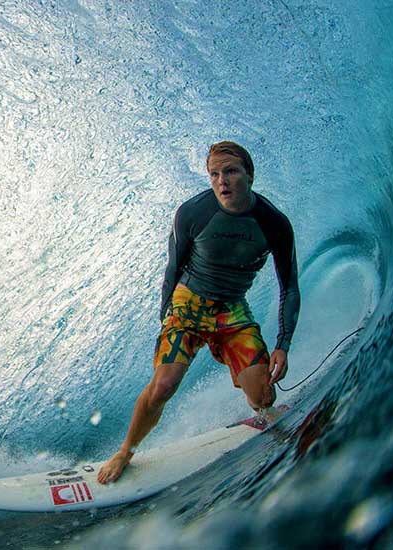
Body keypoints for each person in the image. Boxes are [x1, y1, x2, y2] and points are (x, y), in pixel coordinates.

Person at [97, 141, 300, 485]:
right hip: (188, 303)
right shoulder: (192, 213)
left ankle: (266, 416)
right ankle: (126, 451)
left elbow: (290, 287)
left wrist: (283, 343)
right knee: (163, 385)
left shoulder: (274, 223)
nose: (222, 181)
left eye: (231, 171)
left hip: (232, 309)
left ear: (249, 176)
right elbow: (172, 269)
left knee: (263, 393)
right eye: (214, 174)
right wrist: (168, 320)